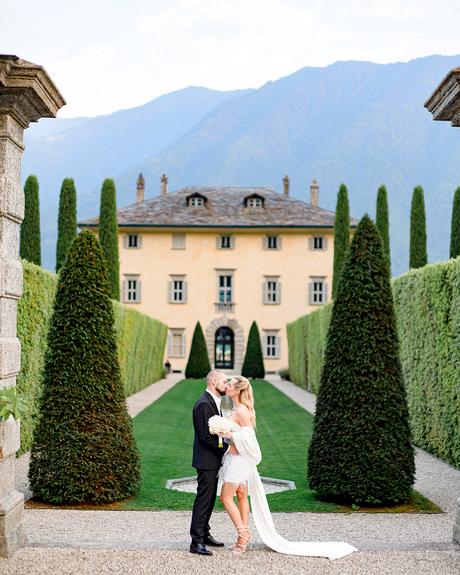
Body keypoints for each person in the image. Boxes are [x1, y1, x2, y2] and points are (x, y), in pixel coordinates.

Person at [219, 376, 357, 559]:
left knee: (225, 497)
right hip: (236, 459)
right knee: (241, 496)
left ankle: (243, 534)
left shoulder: (242, 411)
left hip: (238, 461)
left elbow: (249, 439)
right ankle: (242, 540)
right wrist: (226, 434)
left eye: (230, 384)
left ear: (237, 390)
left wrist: (227, 433)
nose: (227, 386)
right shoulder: (237, 408)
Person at [189, 370, 228, 556]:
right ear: (213, 381)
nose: (226, 385)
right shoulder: (204, 404)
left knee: (210, 499)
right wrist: (227, 450)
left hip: (211, 460)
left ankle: (204, 534)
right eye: (224, 381)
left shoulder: (211, 401)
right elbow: (206, 438)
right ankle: (196, 541)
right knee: (203, 500)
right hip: (206, 461)